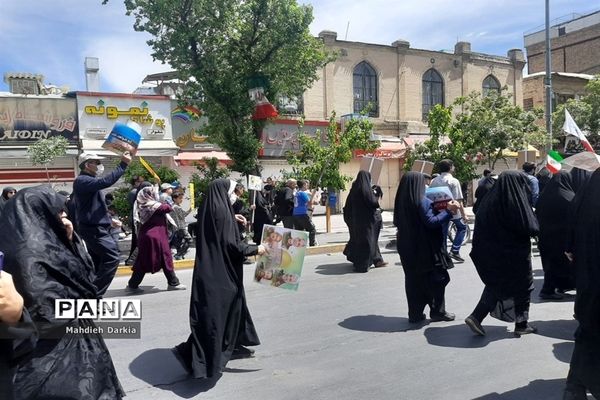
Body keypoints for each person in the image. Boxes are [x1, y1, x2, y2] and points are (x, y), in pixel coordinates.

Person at [0, 186, 124, 399]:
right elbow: (48, 311)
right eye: (58, 211)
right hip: (53, 357)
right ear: (40, 212)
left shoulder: (45, 244)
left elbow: (86, 284)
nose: (64, 215)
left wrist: (70, 240)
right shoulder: (32, 256)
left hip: (73, 342)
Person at [172, 179, 267, 379]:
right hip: (221, 275)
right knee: (217, 317)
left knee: (226, 312)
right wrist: (256, 248)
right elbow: (231, 246)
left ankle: (230, 346)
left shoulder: (212, 208)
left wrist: (234, 217)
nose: (235, 196)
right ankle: (198, 359)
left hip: (213, 270)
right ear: (224, 192)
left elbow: (219, 231)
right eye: (233, 192)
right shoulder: (222, 213)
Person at [465, 171, 539, 337]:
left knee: (498, 285)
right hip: (514, 254)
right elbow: (531, 227)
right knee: (523, 286)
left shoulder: (490, 200)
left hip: (492, 253)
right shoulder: (514, 202)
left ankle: (476, 316)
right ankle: (521, 324)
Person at [394, 172, 459, 323]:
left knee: (413, 281)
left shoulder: (401, 202)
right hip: (426, 248)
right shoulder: (422, 201)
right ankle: (438, 311)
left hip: (407, 246)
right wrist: (448, 211)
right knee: (438, 279)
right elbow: (431, 222)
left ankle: (415, 313)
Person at [563, 169, 600, 400]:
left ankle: (574, 386)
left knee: (589, 330)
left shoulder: (586, 193)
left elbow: (571, 238)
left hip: (588, 279)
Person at [73, 152, 131, 296]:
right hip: (93, 229)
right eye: (96, 162)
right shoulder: (83, 180)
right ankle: (93, 295)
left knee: (97, 263)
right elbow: (105, 182)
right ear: (87, 165)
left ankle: (86, 291)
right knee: (112, 258)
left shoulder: (90, 182)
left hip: (97, 227)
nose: (100, 165)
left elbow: (93, 207)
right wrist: (123, 163)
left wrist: (109, 220)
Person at [127, 186, 186, 291]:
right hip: (155, 238)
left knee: (143, 261)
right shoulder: (153, 205)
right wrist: (166, 197)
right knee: (165, 259)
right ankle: (173, 283)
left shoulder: (141, 205)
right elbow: (168, 208)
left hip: (148, 237)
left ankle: (133, 285)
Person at [535, 171, 576, 300]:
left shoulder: (543, 196)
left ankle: (558, 287)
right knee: (561, 264)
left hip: (545, 236)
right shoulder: (569, 197)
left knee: (550, 264)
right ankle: (548, 290)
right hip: (561, 238)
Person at [343, 171, 385, 273]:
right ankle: (363, 265)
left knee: (362, 241)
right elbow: (373, 203)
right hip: (367, 222)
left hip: (356, 221)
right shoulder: (366, 191)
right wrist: (375, 194)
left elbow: (347, 206)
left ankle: (373, 260)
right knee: (367, 242)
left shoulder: (354, 191)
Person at [430, 159, 467, 262]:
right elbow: (458, 201)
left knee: (443, 234)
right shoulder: (454, 181)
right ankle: (455, 250)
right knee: (462, 227)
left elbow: (431, 197)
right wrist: (464, 215)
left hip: (439, 211)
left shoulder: (434, 181)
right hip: (453, 212)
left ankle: (443, 255)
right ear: (450, 168)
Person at [125, 175, 145, 265]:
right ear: (135, 182)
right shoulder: (135, 192)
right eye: (140, 182)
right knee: (138, 239)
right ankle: (132, 259)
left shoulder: (134, 192)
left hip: (135, 217)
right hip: (136, 218)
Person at [292, 180, 317, 247]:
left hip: (295, 214)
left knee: (300, 231)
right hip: (302, 214)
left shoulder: (296, 193)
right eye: (306, 185)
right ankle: (312, 245)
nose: (307, 186)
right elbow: (310, 203)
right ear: (303, 185)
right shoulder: (302, 193)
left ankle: (299, 246)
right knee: (312, 229)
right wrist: (313, 195)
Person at [170, 192, 193, 260]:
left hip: (176, 227)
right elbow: (183, 215)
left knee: (179, 242)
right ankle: (179, 254)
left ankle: (179, 255)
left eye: (181, 198)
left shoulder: (172, 206)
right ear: (174, 199)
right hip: (181, 227)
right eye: (179, 198)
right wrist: (189, 210)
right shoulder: (176, 207)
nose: (181, 200)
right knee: (189, 240)